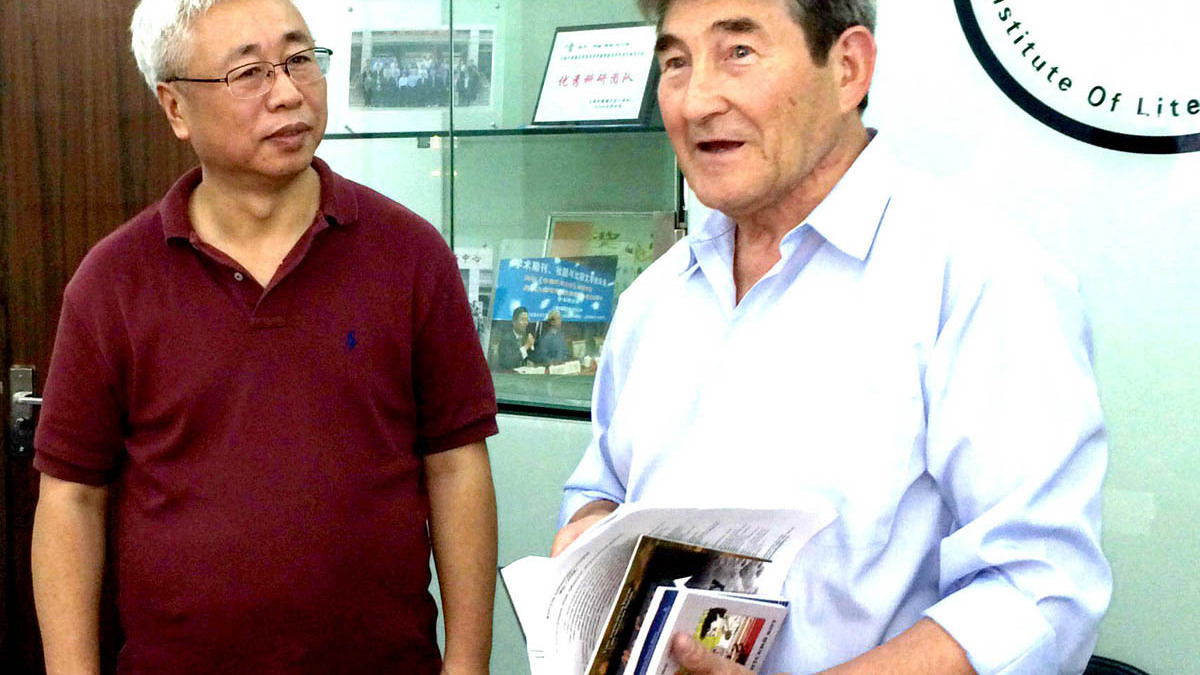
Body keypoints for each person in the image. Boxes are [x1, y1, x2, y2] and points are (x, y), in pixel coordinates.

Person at [553, 0, 1111, 674]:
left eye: (738, 53)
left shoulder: (980, 281)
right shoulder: (655, 299)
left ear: (848, 68)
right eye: (675, 62)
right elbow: (603, 483)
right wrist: (592, 530)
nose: (696, 101)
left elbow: (1039, 591)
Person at [29, 1, 498, 673]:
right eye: (249, 72)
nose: (288, 93)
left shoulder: (410, 255)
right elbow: (71, 498)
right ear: (175, 107)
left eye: (299, 59)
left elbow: (457, 465)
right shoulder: (113, 282)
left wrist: (468, 663)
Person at [495, 305, 535, 370]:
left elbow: (530, 357)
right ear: (514, 321)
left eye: (527, 320)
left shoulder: (526, 337)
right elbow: (508, 362)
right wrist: (526, 346)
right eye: (523, 319)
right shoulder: (506, 338)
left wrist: (530, 361)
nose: (526, 323)